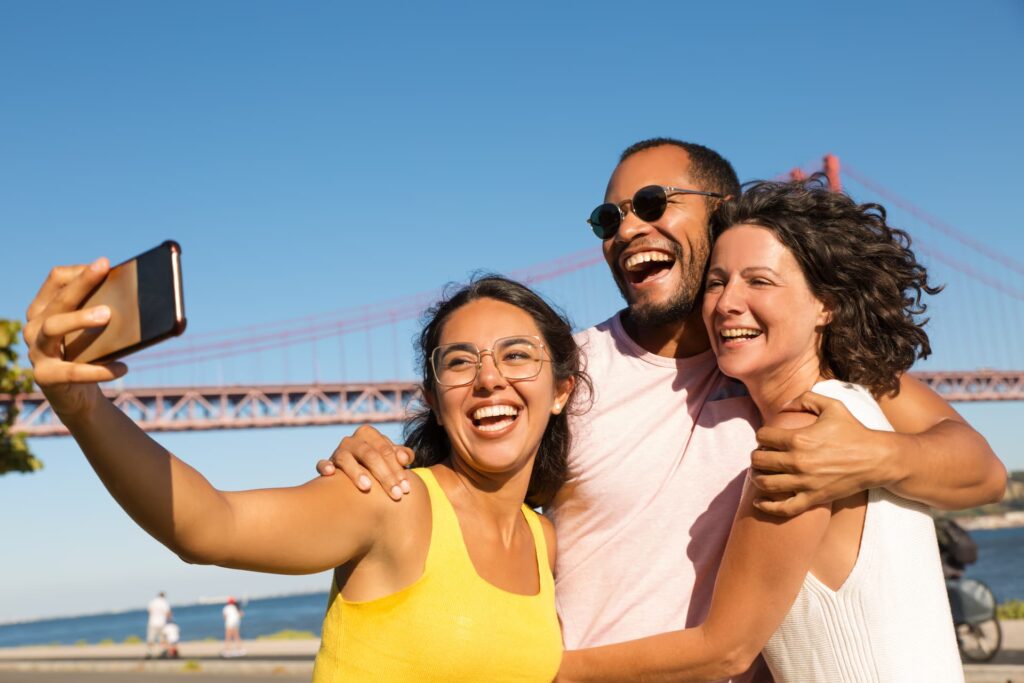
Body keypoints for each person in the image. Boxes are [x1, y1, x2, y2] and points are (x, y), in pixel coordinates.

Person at [318, 138, 1006, 681]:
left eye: (652, 203)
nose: (627, 228)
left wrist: (881, 452)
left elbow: (980, 470)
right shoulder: (563, 376)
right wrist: (379, 461)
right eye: (608, 218)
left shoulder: (789, 363)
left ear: (724, 209)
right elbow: (447, 506)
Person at [23, 271, 586, 681]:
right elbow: (209, 525)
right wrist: (85, 408)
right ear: (434, 401)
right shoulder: (394, 500)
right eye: (459, 362)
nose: (489, 378)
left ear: (560, 389)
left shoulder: (545, 540)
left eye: (517, 356)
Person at [557, 179, 965, 681]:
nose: (727, 303)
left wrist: (535, 668)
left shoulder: (802, 439)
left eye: (760, 281)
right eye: (716, 282)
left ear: (826, 304)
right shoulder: (858, 409)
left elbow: (724, 651)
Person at [145, 591, 171, 659]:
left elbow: (149, 611)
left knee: (150, 639)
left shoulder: (152, 602)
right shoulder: (164, 602)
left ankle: (149, 652)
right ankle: (163, 651)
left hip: (152, 622)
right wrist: (169, 621)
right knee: (162, 638)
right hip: (162, 623)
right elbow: (168, 613)